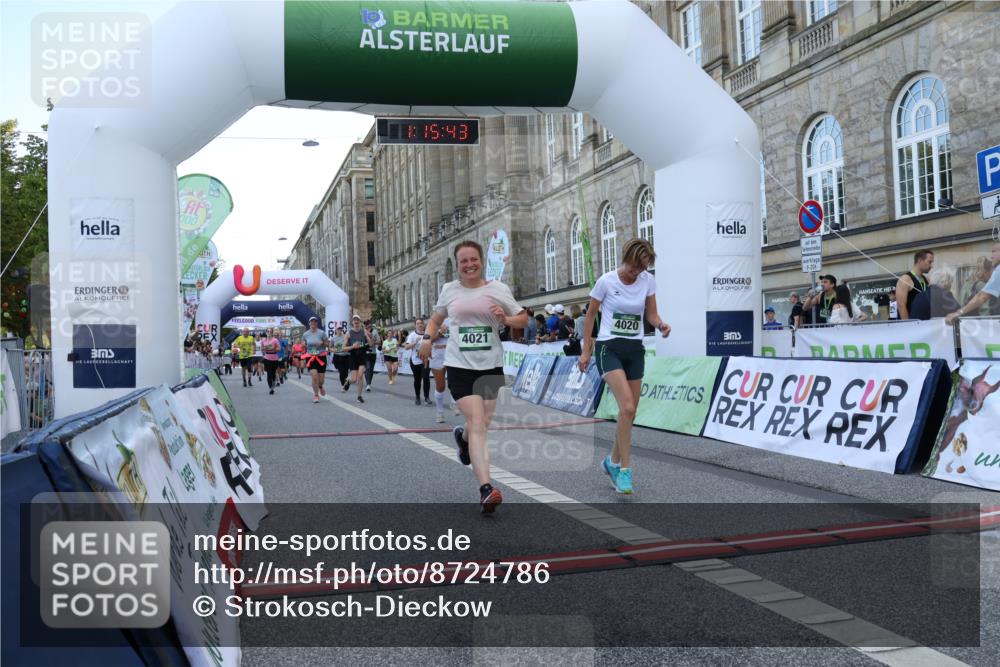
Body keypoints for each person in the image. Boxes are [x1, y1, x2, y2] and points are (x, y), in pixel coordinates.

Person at [421, 240, 528, 513]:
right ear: (457, 266)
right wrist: (426, 338)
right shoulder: (449, 290)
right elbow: (435, 320)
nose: (469, 264)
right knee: (477, 421)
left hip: (491, 365)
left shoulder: (498, 289)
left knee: (483, 423)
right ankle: (486, 489)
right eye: (463, 261)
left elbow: (523, 319)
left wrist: (505, 318)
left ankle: (463, 439)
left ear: (481, 261)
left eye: (473, 259)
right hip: (459, 366)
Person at [579, 238, 670, 495]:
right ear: (626, 258)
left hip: (635, 350)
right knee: (627, 406)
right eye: (634, 267)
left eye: (642, 268)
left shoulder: (647, 281)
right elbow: (590, 316)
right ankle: (625, 471)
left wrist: (661, 324)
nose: (637, 272)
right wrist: (586, 350)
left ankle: (611, 461)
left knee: (630, 413)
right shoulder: (606, 281)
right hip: (609, 347)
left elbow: (651, 315)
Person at [947, 243, 1000, 323]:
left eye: (994, 251)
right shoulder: (976, 284)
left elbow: (982, 297)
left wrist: (959, 312)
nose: (991, 256)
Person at [895, 249, 935, 320]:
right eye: (929, 262)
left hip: (926, 324)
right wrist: (909, 326)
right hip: (913, 326)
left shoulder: (927, 280)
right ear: (920, 260)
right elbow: (901, 305)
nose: (931, 266)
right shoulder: (905, 279)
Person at [428, 318, 451, 423]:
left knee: (455, 381)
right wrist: (440, 332)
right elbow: (428, 339)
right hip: (437, 355)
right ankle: (440, 411)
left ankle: (455, 401)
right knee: (441, 385)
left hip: (452, 354)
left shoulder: (456, 318)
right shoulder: (433, 321)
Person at [404, 319, 432, 406]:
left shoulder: (427, 334)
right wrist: (415, 342)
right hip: (415, 361)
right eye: (418, 323)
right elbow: (406, 347)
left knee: (426, 378)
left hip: (425, 360)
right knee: (417, 380)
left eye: (421, 323)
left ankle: (427, 397)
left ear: (423, 325)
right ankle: (417, 397)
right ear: (415, 325)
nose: (420, 325)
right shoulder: (412, 335)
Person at [346, 315, 374, 403]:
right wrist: (352, 346)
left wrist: (367, 336)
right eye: (354, 320)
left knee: (360, 375)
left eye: (357, 320)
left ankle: (359, 396)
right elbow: (343, 348)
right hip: (353, 355)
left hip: (362, 355)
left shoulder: (364, 332)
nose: (356, 322)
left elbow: (371, 344)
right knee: (354, 379)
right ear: (352, 322)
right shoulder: (349, 333)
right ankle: (348, 381)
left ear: (360, 322)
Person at [302, 317, 330, 403]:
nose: (313, 323)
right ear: (309, 323)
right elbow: (303, 345)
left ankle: (320, 386)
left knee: (321, 380)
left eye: (315, 321)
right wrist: (304, 345)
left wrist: (322, 343)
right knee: (314, 377)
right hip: (310, 357)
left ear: (317, 323)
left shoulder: (321, 333)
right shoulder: (305, 334)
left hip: (321, 356)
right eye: (312, 322)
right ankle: (316, 395)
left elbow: (327, 343)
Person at [261, 328, 281, 395]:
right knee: (269, 374)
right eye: (268, 331)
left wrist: (273, 348)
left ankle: (274, 382)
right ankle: (271, 388)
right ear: (266, 332)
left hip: (274, 358)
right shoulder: (263, 340)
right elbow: (262, 349)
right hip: (267, 358)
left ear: (272, 333)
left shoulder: (275, 340)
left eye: (270, 331)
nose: (269, 333)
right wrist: (265, 348)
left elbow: (279, 348)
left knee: (273, 374)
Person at [364, 322, 381, 391]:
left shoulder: (375, 332)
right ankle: (368, 384)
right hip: (365, 353)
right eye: (365, 325)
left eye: (367, 324)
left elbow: (379, 342)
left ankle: (369, 383)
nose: (366, 326)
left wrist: (372, 342)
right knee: (367, 368)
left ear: (370, 325)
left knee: (371, 369)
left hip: (373, 352)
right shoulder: (363, 331)